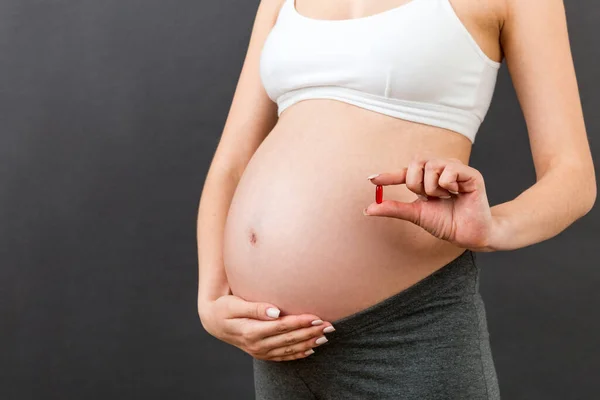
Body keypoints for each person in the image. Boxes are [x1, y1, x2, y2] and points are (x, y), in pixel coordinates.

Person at [196, 0, 596, 398]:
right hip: (276, 343)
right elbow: (231, 164)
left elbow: (573, 177)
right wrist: (211, 300)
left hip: (408, 329)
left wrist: (494, 227)